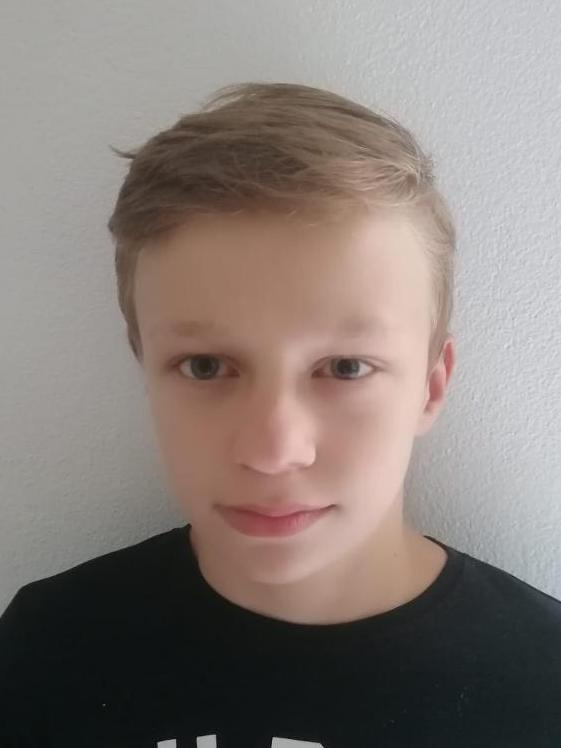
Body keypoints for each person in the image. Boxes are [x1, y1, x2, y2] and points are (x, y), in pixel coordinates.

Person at [1, 81, 560, 748]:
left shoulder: (542, 685)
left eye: (345, 367)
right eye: (205, 366)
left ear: (431, 386)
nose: (273, 451)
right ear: (144, 366)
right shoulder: (48, 650)